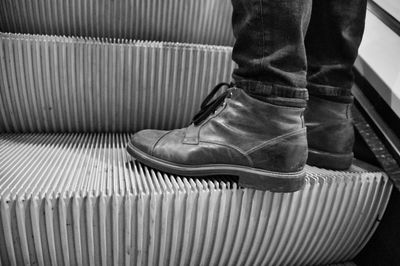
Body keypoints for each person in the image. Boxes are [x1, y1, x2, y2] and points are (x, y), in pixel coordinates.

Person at [126, 0, 367, 192]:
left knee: (268, 82)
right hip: (334, 102)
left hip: (266, 104)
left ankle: (263, 106)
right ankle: (327, 115)